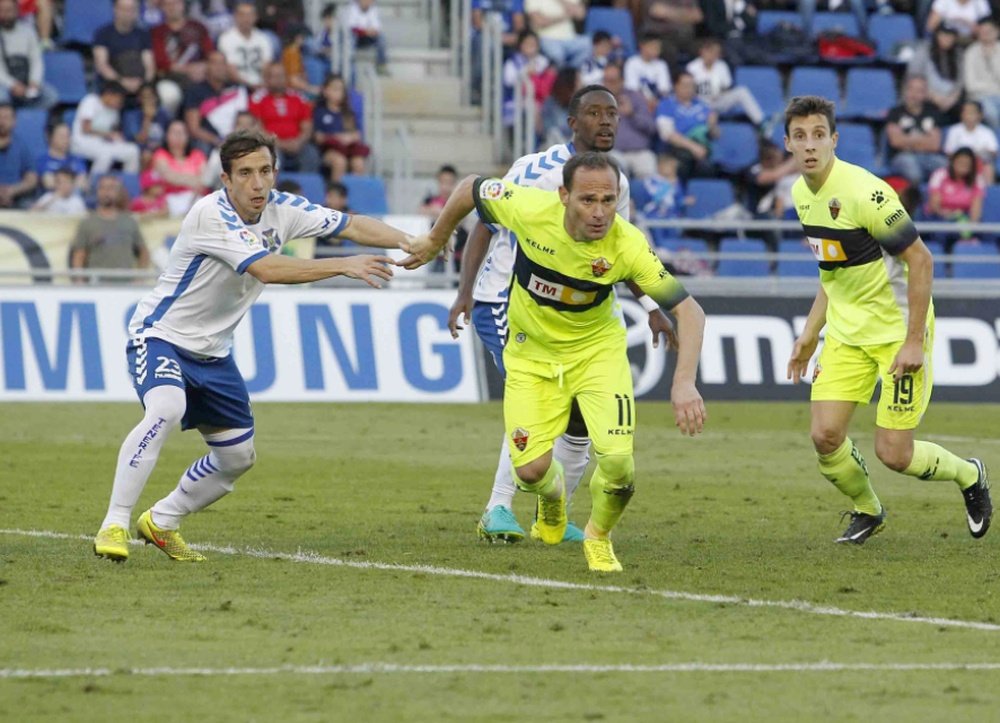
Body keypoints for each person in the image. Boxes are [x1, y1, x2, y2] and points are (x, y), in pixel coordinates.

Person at [92, 128, 415, 564]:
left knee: (238, 456)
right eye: (244, 173)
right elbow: (265, 268)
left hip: (214, 353)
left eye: (265, 171)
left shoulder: (284, 209)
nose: (257, 183)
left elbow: (352, 223)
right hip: (161, 334)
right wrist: (344, 264)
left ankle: (162, 520)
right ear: (225, 179)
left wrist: (412, 241)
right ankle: (115, 521)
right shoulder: (210, 214)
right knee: (166, 408)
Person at [403, 152, 707, 572]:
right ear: (563, 196)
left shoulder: (628, 243)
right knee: (530, 472)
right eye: (587, 200)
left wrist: (684, 383)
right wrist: (438, 238)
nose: (600, 212)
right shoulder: (528, 208)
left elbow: (690, 311)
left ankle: (599, 537)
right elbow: (471, 186)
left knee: (619, 465)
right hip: (531, 356)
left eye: (608, 200)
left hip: (597, 355)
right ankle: (553, 498)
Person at [446, 84, 677, 545]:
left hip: (577, 312)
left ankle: (551, 517)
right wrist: (465, 292)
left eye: (612, 113)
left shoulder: (617, 180)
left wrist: (651, 304)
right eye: (594, 113)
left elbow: (617, 252)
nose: (607, 121)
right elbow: (484, 225)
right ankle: (497, 508)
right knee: (536, 403)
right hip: (507, 299)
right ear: (573, 123)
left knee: (578, 419)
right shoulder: (534, 171)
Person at [783, 95, 992, 545]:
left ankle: (969, 474)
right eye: (800, 137)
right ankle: (868, 509)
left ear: (834, 140)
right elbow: (831, 269)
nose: (810, 145)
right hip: (845, 332)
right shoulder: (800, 194)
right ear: (788, 144)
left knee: (894, 454)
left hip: (896, 334)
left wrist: (913, 341)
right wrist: (809, 333)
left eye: (818, 135)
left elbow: (921, 261)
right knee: (824, 436)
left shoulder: (867, 193)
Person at [70, 174, 149, 283]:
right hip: (97, 286)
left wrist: (139, 278)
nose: (106, 192)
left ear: (118, 192)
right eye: (103, 188)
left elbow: (143, 252)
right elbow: (79, 255)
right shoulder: (87, 223)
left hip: (125, 287)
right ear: (97, 191)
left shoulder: (129, 221)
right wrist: (80, 282)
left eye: (111, 188)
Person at [249, 62, 319, 173]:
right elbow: (257, 129)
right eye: (275, 76)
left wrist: (298, 142)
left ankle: (303, 189)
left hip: (297, 144)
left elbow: (307, 126)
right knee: (272, 156)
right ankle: (273, 189)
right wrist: (279, 143)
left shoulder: (298, 97)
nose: (279, 80)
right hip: (271, 144)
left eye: (282, 76)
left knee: (311, 154)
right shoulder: (257, 98)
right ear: (267, 79)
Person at [151, 0, 214, 117]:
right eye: (167, 4)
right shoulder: (157, 32)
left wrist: (204, 67)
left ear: (182, 5)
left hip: (201, 75)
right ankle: (173, 126)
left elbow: (210, 54)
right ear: (162, 8)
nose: (172, 8)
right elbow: (160, 62)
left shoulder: (198, 27)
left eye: (175, 3)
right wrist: (188, 69)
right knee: (168, 95)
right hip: (171, 77)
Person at [885, 75, 948, 186]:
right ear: (905, 91)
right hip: (902, 156)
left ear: (925, 94)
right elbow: (896, 142)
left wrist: (907, 140)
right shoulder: (895, 112)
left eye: (919, 91)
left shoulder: (933, 112)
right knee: (914, 173)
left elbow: (934, 145)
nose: (914, 94)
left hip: (927, 156)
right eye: (911, 89)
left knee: (945, 166)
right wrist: (924, 139)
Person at [93, 0, 156, 104]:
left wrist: (142, 83)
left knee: (153, 98)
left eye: (131, 9)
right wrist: (123, 81)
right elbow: (102, 65)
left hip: (139, 84)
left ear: (137, 11)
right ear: (115, 10)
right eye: (124, 9)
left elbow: (149, 66)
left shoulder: (143, 35)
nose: (127, 13)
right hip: (113, 84)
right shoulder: (102, 34)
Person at [71, 82, 141, 174]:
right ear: (109, 94)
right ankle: (94, 185)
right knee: (106, 154)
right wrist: (109, 134)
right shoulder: (91, 100)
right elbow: (86, 128)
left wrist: (118, 138)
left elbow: (113, 132)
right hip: (81, 142)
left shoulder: (114, 111)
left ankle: (127, 184)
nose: (119, 103)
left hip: (102, 144)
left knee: (133, 151)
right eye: (118, 99)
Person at [313, 73, 369, 180]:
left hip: (348, 149)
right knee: (340, 161)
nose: (338, 93)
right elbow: (318, 137)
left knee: (359, 163)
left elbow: (357, 134)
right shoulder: (320, 112)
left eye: (341, 90)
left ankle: (355, 194)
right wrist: (335, 138)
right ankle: (335, 193)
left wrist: (348, 138)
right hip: (328, 151)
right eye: (335, 89)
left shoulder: (348, 113)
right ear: (325, 91)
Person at [0, 0, 56, 108]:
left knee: (50, 96)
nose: (4, 15)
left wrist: (34, 82)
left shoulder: (28, 32)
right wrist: (13, 85)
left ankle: (26, 118)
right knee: (2, 97)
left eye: (8, 11)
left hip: (25, 80)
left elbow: (36, 61)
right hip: (5, 85)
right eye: (1, 11)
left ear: (17, 11)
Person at [906, 24, 964, 125]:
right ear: (936, 35)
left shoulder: (958, 53)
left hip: (952, 98)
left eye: (950, 36)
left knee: (967, 111)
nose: (946, 39)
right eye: (943, 35)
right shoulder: (924, 50)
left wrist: (952, 98)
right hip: (927, 96)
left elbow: (960, 81)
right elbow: (914, 77)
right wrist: (933, 97)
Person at [148, 119, 208, 216]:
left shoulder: (198, 154)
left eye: (182, 132)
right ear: (167, 135)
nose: (178, 136)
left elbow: (205, 180)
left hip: (195, 197)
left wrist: (180, 178)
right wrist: (194, 180)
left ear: (188, 136)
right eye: (175, 132)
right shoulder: (160, 154)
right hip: (170, 198)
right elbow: (168, 177)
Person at [218, 0, 273, 89]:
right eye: (242, 15)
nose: (246, 19)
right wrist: (250, 86)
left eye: (250, 15)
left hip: (261, 85)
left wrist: (261, 85)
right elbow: (230, 69)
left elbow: (267, 66)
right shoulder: (226, 38)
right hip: (237, 86)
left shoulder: (263, 38)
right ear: (235, 17)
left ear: (255, 17)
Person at [943, 100, 997, 182]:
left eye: (972, 112)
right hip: (959, 163)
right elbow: (949, 152)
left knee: (988, 168)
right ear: (961, 115)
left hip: (980, 163)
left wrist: (976, 157)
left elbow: (993, 152)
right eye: (966, 112)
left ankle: (987, 192)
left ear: (980, 115)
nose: (969, 115)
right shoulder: (954, 131)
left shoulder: (987, 132)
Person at [0, 102, 36, 207]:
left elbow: (32, 178)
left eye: (6, 118)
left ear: (14, 121)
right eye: (0, 117)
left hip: (16, 197)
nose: (2, 122)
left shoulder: (21, 146)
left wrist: (12, 191)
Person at [36, 121, 87, 192]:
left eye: (68, 136)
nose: (66, 140)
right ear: (50, 137)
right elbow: (50, 185)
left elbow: (82, 185)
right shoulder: (43, 161)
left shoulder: (77, 159)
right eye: (62, 136)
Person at [344, 0, 389, 75]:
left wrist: (372, 31)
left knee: (381, 38)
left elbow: (377, 28)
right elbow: (351, 28)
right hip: (356, 38)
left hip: (368, 37)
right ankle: (348, 62)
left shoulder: (373, 9)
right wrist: (365, 31)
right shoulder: (352, 8)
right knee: (351, 37)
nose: (368, 2)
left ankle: (381, 65)